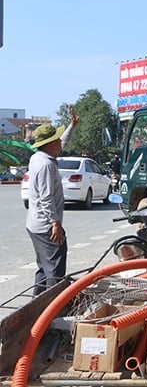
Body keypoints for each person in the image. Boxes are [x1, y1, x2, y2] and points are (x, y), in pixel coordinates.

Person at [25, 107, 79, 295]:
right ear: (49, 143)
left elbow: (62, 143)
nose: (59, 142)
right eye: (56, 139)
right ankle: (50, 313)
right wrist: (55, 223)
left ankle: (35, 308)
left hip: (35, 225)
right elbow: (46, 197)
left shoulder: (38, 157)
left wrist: (72, 126)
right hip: (46, 226)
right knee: (55, 271)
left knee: (43, 268)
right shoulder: (46, 165)